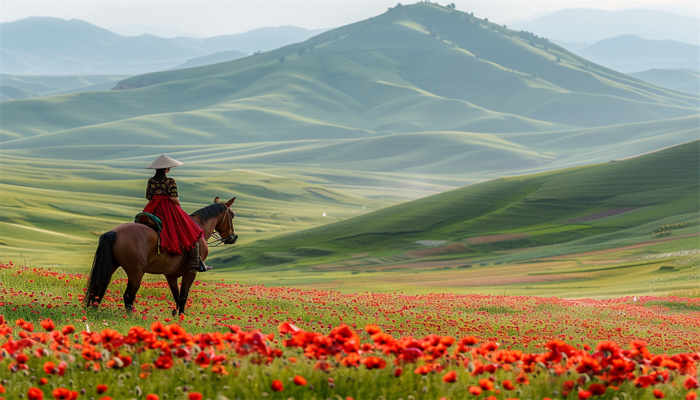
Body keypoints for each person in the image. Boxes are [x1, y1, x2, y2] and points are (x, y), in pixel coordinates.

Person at [142, 154, 210, 271]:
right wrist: (179, 206)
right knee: (191, 229)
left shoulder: (151, 180)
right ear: (166, 169)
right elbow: (173, 197)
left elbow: (148, 196)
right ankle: (194, 261)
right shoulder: (170, 181)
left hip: (152, 206)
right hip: (168, 207)